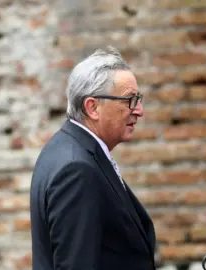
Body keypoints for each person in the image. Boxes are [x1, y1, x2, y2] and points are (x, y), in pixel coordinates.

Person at [30, 46, 156, 270]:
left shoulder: (67, 149)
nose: (139, 110)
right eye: (130, 100)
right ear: (93, 107)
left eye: (139, 99)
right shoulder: (76, 169)